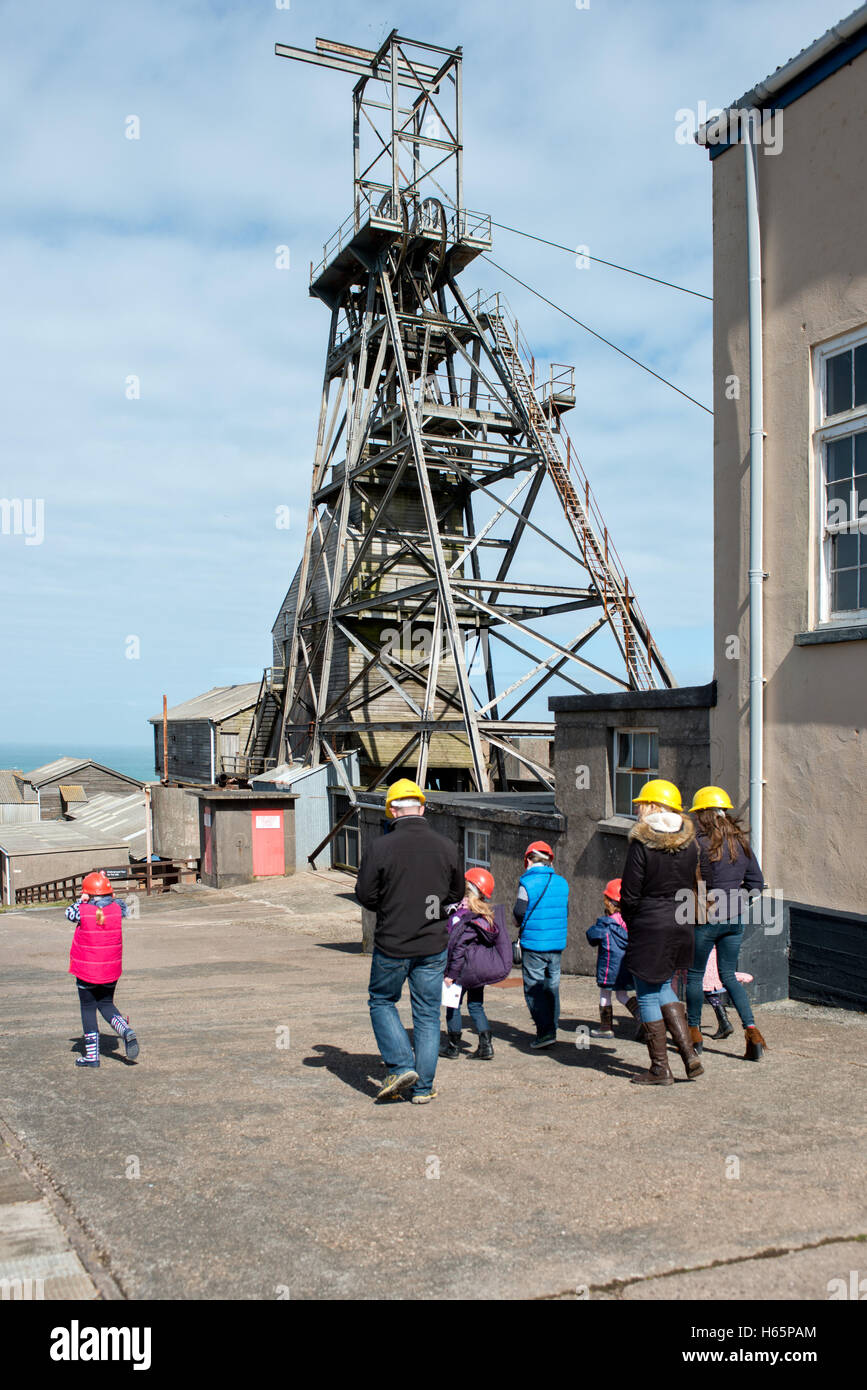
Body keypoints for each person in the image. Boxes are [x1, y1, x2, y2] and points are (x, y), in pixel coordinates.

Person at [355, 778, 464, 1104]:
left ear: (391, 811)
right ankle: (423, 1087)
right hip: (432, 945)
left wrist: (391, 905)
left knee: (382, 1001)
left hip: (393, 943)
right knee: (428, 1015)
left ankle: (401, 1065)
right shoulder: (446, 846)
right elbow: (456, 895)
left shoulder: (380, 847)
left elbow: (365, 895)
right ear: (423, 807)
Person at [620, 780, 703, 1085]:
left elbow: (629, 894)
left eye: (641, 803)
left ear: (655, 806)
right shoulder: (691, 843)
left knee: (645, 993)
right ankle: (689, 1055)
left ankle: (659, 1069)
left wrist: (634, 922)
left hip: (649, 925)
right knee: (664, 986)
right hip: (681, 924)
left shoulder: (641, 842)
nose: (637, 808)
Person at [686, 786, 768, 1061]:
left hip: (705, 917)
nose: (696, 819)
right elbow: (756, 884)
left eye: (698, 814)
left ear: (704, 815)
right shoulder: (742, 842)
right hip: (735, 919)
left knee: (695, 976)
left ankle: (694, 1034)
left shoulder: (698, 844)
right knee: (729, 976)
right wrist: (737, 900)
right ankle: (752, 1031)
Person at [67, 871, 138, 1068]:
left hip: (86, 970)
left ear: (87, 894)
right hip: (110, 969)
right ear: (110, 894)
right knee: (106, 1004)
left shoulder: (81, 910)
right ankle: (124, 1030)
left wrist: (82, 901)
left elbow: (68, 913)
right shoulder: (118, 910)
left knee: (88, 1008)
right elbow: (120, 906)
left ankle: (92, 1056)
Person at [440, 867, 512, 1061]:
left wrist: (450, 975)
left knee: (452, 1006)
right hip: (478, 970)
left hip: (462, 970)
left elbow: (457, 949)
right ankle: (486, 1045)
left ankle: (453, 1046)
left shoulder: (462, 918)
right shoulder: (486, 915)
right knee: (476, 1005)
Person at [513, 840, 568, 1049]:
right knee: (552, 987)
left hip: (534, 944)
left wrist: (517, 923)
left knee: (534, 988)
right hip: (556, 943)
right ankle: (552, 1027)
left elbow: (519, 912)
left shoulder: (526, 883)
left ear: (528, 860)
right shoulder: (562, 883)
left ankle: (544, 1032)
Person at [585, 878, 643, 1038]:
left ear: (609, 901)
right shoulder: (631, 923)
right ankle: (641, 1016)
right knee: (622, 995)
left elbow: (591, 936)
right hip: (626, 967)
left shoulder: (605, 925)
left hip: (609, 968)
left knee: (605, 994)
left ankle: (605, 1027)